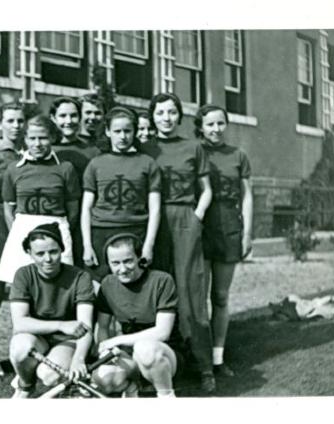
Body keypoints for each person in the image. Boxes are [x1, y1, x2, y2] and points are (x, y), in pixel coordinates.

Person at [139, 93, 215, 393]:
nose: (167, 118)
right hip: (152, 222)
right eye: (161, 113)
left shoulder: (193, 147)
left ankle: (204, 365)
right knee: (154, 288)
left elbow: (206, 189)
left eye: (172, 112)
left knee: (190, 290)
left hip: (184, 218)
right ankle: (155, 364)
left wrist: (196, 216)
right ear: (153, 116)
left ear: (179, 116)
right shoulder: (144, 148)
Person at [194, 105, 253, 378]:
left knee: (219, 296)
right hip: (200, 228)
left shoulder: (238, 155)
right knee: (198, 297)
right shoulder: (194, 152)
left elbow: (247, 196)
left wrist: (248, 233)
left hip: (229, 227)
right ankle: (200, 358)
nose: (216, 129)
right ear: (201, 126)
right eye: (210, 124)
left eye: (220, 123)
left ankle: (218, 358)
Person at [8, 223, 95, 398]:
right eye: (40, 253)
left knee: (49, 376)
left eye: (53, 251)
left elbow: (85, 327)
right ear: (30, 254)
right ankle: (25, 385)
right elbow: (20, 322)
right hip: (38, 337)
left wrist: (79, 359)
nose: (48, 259)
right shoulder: (23, 275)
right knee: (20, 348)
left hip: (67, 341)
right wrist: (61, 325)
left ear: (62, 250)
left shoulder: (80, 277)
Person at [92, 234, 182, 398]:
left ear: (139, 258)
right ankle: (133, 386)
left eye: (128, 261)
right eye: (115, 263)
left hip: (164, 353)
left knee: (145, 350)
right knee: (104, 379)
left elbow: (163, 332)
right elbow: (103, 327)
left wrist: (116, 340)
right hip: (129, 353)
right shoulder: (108, 283)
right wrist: (105, 352)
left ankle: (167, 396)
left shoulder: (162, 280)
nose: (122, 269)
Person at [80, 106, 162, 283]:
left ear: (135, 132)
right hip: (101, 232)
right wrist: (87, 245)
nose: (123, 136)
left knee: (136, 285)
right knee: (98, 287)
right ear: (108, 132)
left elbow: (155, 209)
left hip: (136, 229)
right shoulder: (95, 164)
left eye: (128, 131)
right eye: (117, 131)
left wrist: (149, 245)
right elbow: (86, 208)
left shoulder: (147, 163)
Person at [0, 114, 80, 284]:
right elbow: (8, 207)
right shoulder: (14, 169)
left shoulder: (65, 168)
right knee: (22, 285)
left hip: (56, 229)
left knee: (58, 284)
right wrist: (18, 233)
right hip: (23, 229)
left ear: (52, 138)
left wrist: (60, 231)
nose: (37, 144)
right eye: (32, 138)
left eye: (43, 138)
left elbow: (73, 208)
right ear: (25, 139)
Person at [0, 102, 26, 378]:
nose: (16, 126)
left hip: (30, 220)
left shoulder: (32, 150)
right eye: (10, 120)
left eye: (20, 121)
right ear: (0, 124)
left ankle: (29, 351)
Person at [49, 96, 100, 267]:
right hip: (55, 218)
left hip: (85, 223)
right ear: (53, 119)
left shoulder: (93, 152)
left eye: (73, 116)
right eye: (62, 116)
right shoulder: (46, 151)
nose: (68, 121)